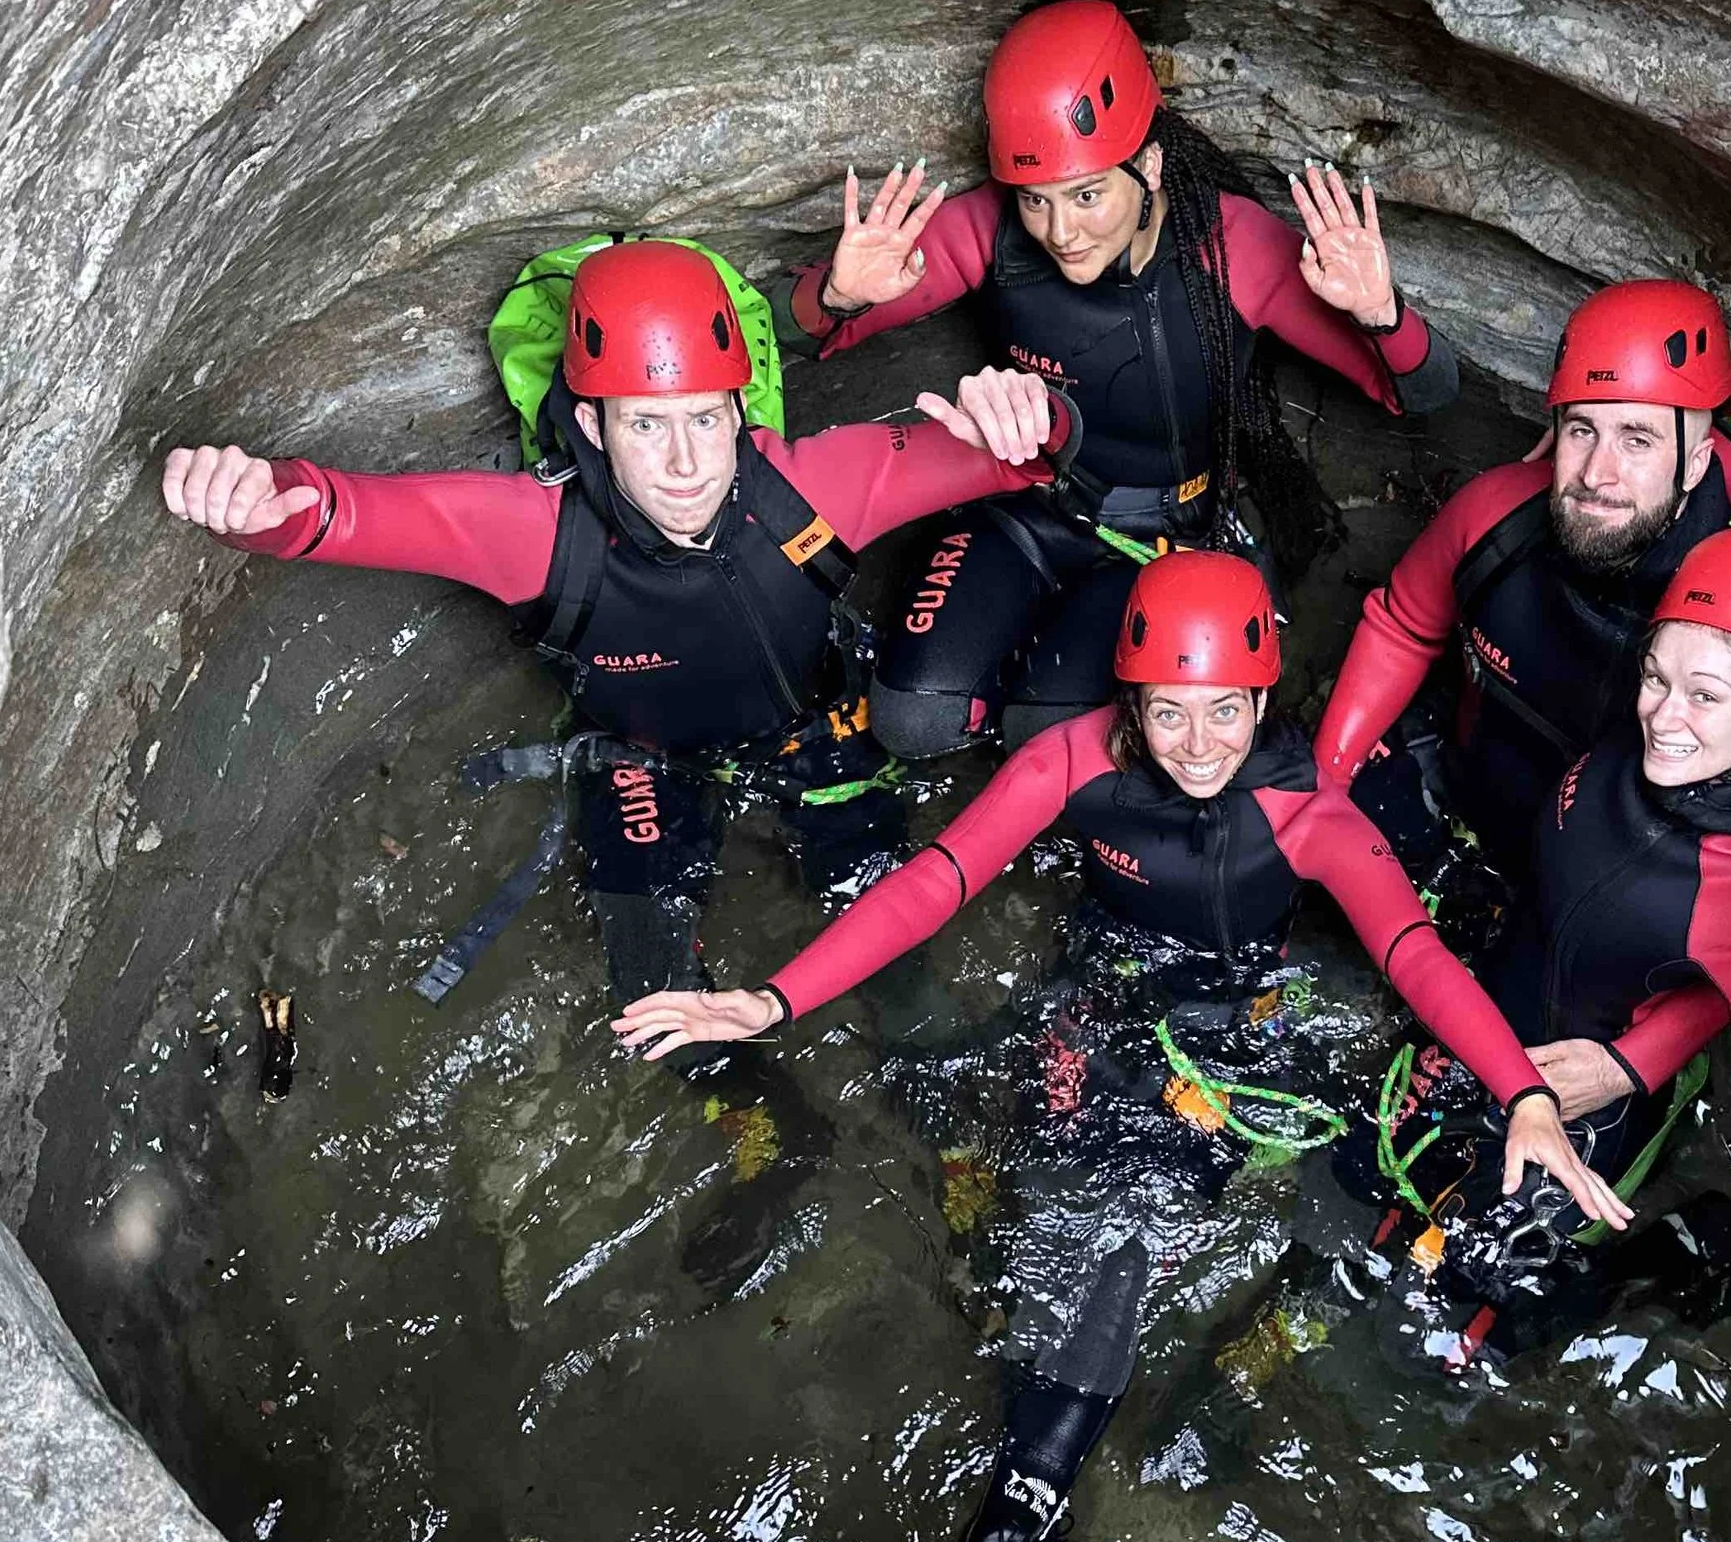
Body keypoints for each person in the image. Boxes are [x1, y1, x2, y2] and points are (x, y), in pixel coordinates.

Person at [611, 550, 1624, 1542]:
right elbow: (940, 879)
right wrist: (771, 998)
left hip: (1241, 1028)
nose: (1196, 747)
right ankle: (1015, 1518)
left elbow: (1413, 951)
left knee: (1132, 1226)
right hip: (1101, 991)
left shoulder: (1307, 815)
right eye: (1169, 714)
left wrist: (1523, 1093)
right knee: (1032, 1220)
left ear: (1261, 700)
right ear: (1131, 702)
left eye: (1225, 714)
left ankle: (1010, 1522)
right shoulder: (1070, 763)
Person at [160, 238, 1085, 1006]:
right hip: (643, 759)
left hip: (813, 730)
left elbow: (1032, 461)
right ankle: (770, 1139)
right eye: (646, 426)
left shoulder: (816, 485)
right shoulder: (534, 534)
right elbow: (345, 511)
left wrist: (1030, 417)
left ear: (739, 410)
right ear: (594, 427)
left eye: (703, 421)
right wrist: (254, 501)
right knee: (657, 1006)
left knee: (894, 959)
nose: (685, 463)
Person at [788, 0, 1462, 757]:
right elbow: (796, 332)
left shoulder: (1230, 249)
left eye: (1086, 195)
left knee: (1047, 738)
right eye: (1035, 200)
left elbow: (1424, 393)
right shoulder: (990, 231)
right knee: (914, 724)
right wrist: (840, 293)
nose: (1060, 232)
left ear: (1148, 164)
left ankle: (1038, 673)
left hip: (1161, 534)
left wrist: (1381, 313)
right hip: (1025, 506)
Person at [1374, 525, 1731, 1358]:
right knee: (1369, 1200)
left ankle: (1673, 1257)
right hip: (1498, 1005)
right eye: (1655, 675)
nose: (1662, 716)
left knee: (1482, 1329)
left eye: (1704, 695)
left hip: (1593, 1100)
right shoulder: (1656, 732)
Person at [1314, 278, 1731, 881]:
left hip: (1598, 880)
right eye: (1581, 429)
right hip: (1464, 794)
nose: (1598, 473)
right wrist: (1324, 791)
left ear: (1700, 463)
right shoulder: (1497, 516)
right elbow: (1402, 627)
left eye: (1637, 439)